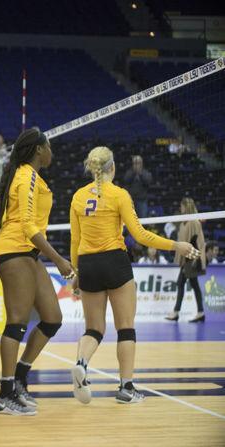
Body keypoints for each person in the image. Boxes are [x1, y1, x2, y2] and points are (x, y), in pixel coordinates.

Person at [70, 146, 198, 406]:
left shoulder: (78, 197)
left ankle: (82, 363)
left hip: (88, 264)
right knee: (125, 328)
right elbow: (140, 235)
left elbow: (75, 241)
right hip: (114, 261)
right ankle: (126, 388)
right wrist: (176, 245)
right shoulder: (119, 194)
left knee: (93, 329)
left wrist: (77, 272)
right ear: (112, 168)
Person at [0, 127, 72, 416]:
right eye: (49, 146)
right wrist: (59, 260)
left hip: (27, 252)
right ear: (39, 149)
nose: (52, 151)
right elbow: (26, 225)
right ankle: (5, 393)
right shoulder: (25, 176)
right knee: (17, 322)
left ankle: (21, 378)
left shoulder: (30, 176)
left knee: (52, 318)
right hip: (14, 251)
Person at [166, 197, 207, 323]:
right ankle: (200, 312)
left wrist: (197, 258)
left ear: (186, 206)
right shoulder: (184, 221)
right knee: (193, 285)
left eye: (182, 206)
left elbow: (198, 242)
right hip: (187, 258)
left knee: (181, 283)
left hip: (191, 258)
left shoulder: (194, 221)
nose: (180, 208)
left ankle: (176, 312)